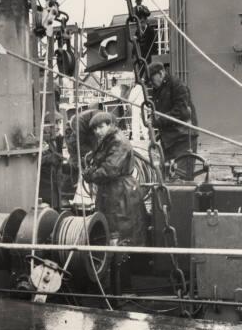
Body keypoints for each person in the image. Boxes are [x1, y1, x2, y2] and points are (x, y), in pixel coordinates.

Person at [83, 111, 147, 247]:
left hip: (121, 192)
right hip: (111, 191)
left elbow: (110, 169)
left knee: (122, 230)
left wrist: (92, 175)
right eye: (95, 129)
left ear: (109, 125)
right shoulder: (108, 140)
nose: (97, 131)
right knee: (111, 229)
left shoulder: (117, 141)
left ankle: (123, 261)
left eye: (100, 127)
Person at [148, 62, 198, 180]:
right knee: (164, 177)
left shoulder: (178, 86)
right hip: (169, 140)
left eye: (151, 78)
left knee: (182, 179)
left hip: (184, 138)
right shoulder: (158, 89)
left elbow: (181, 112)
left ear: (161, 73)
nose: (150, 83)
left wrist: (158, 121)